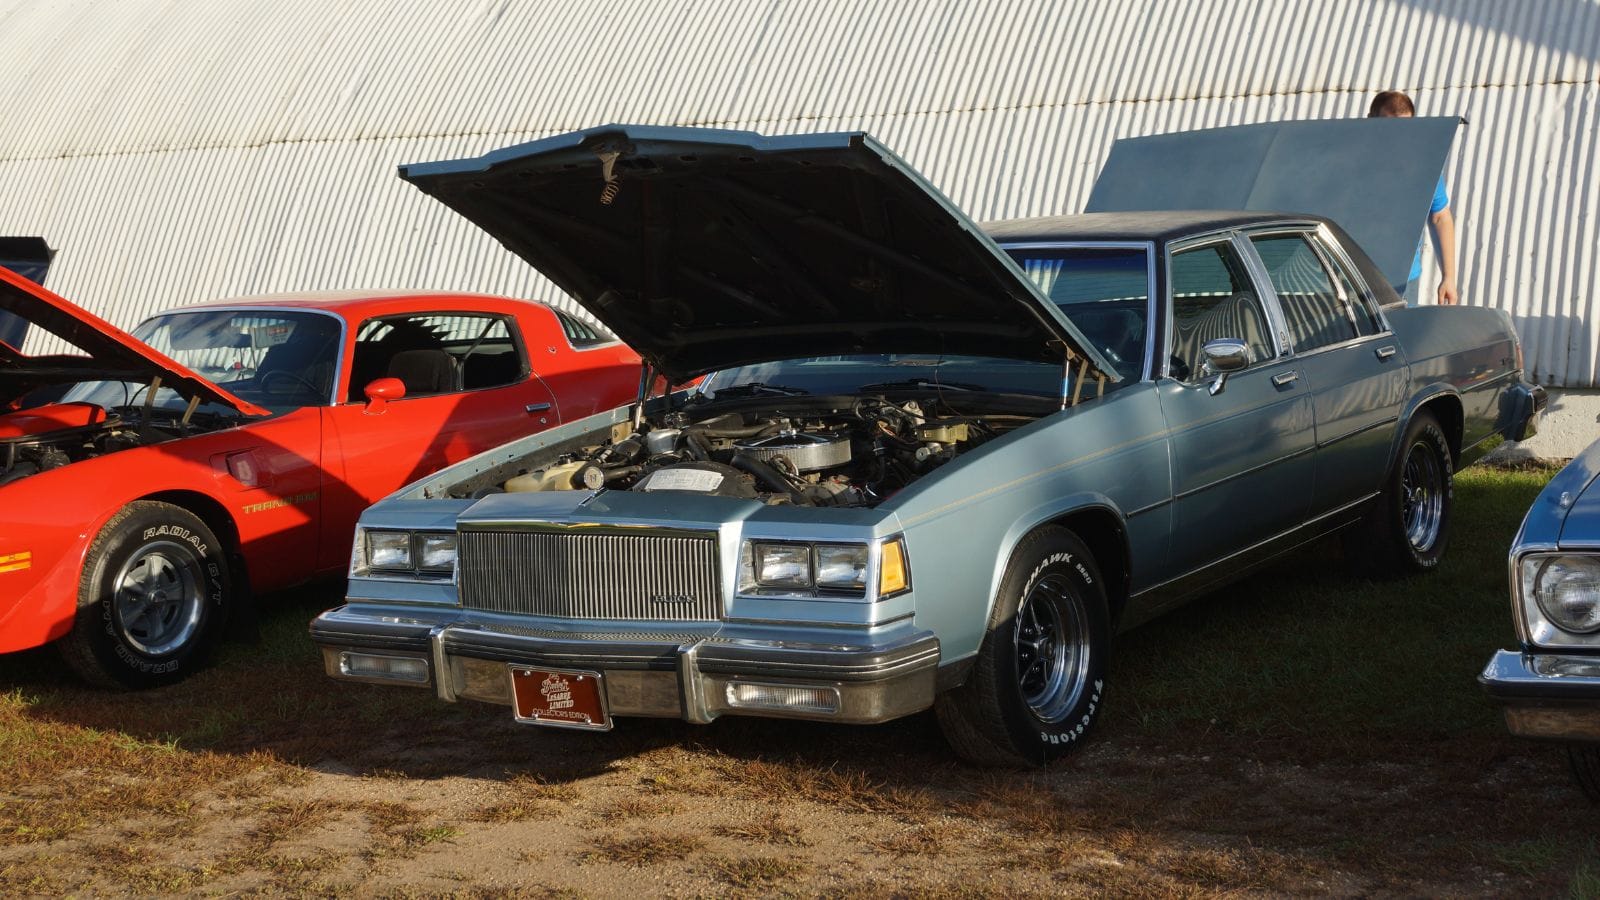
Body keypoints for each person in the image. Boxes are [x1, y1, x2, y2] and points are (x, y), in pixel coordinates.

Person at [1368, 90, 1459, 305]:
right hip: (1353, 277)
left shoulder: (1422, 165)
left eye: (1405, 128)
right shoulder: (1347, 159)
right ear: (1371, 121)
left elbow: (1440, 216)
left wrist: (1449, 278)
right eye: (1389, 128)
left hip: (1405, 281)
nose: (1398, 136)